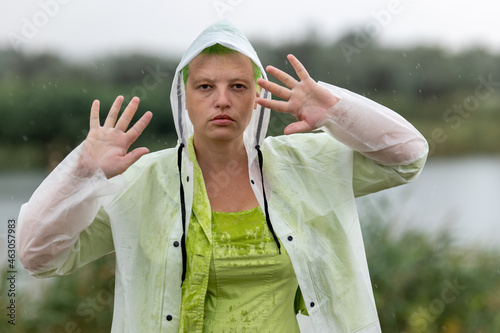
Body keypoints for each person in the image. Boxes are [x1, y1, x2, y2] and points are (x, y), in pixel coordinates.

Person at [17, 21, 428, 332]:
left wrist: (336, 110)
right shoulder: (142, 183)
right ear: (184, 97)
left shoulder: (307, 165)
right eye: (205, 86)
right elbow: (36, 256)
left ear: (257, 97)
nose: (222, 101)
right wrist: (82, 174)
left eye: (237, 85)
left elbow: (408, 157)